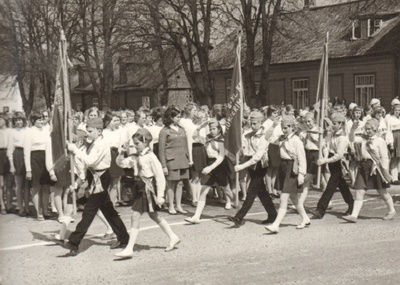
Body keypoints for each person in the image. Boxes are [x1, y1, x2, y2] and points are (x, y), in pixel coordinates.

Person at [61, 117, 129, 256]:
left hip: (101, 177)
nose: (88, 134)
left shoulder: (102, 144)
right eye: (87, 131)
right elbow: (84, 160)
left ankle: (74, 242)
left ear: (99, 131)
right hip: (94, 177)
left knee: (89, 210)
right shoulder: (93, 142)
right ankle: (124, 238)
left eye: (90, 131)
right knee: (108, 211)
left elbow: (90, 161)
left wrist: (75, 150)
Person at [114, 128, 180, 258]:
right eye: (134, 144)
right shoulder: (135, 157)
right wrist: (121, 152)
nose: (135, 146)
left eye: (137, 143)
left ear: (146, 143)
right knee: (153, 215)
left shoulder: (151, 157)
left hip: (148, 189)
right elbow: (121, 163)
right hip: (139, 188)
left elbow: (160, 176)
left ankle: (129, 248)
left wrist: (161, 195)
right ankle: (173, 236)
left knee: (135, 216)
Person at [228, 111, 277, 227]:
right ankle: (273, 214)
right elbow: (244, 149)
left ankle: (239, 217)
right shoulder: (248, 134)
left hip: (260, 164)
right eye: (251, 123)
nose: (252, 125)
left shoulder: (264, 136)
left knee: (251, 192)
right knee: (262, 192)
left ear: (261, 123)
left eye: (255, 123)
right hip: (250, 164)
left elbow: (257, 157)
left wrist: (241, 166)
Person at [343, 119, 396, 222]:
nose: (367, 131)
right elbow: (351, 140)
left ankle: (391, 211)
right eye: (366, 129)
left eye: (369, 129)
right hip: (363, 166)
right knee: (359, 190)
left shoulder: (380, 141)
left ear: (375, 129)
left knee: (382, 191)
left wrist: (384, 171)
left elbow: (385, 157)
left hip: (376, 167)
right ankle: (354, 216)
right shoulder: (363, 139)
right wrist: (352, 130)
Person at [264, 117, 309, 233]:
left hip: (292, 168)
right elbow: (267, 138)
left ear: (292, 127)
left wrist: (301, 174)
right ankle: (305, 218)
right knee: (294, 197)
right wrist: (273, 126)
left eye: (286, 128)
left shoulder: (296, 140)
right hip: (283, 167)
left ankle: (276, 225)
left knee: (284, 197)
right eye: (282, 128)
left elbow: (302, 159)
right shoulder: (282, 138)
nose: (284, 130)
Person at [185, 119, 232, 223]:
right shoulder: (207, 138)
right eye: (210, 129)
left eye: (214, 128)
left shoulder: (221, 140)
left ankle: (236, 205)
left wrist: (210, 168)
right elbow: (194, 136)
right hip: (209, 164)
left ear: (219, 129)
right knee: (203, 190)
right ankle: (196, 216)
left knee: (227, 190)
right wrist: (201, 126)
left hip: (220, 166)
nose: (212, 130)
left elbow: (220, 157)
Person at [310, 112, 354, 219]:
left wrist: (326, 160)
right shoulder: (332, 134)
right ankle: (352, 205)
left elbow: (339, 155)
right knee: (342, 186)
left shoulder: (342, 138)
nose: (332, 125)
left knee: (330, 186)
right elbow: (324, 143)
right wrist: (319, 134)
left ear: (341, 124)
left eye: (335, 123)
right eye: (332, 123)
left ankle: (320, 209)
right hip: (331, 161)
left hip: (338, 163)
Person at [158, 106, 191, 215]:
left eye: (179, 117)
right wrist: (163, 165)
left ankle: (179, 205)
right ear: (170, 118)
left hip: (182, 159)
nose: (179, 119)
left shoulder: (182, 129)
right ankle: (171, 206)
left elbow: (186, 145)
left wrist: (189, 159)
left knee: (180, 183)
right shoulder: (164, 131)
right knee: (171, 184)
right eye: (177, 117)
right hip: (171, 161)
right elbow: (161, 150)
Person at [24, 112, 57, 220]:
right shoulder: (29, 132)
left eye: (42, 119)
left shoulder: (46, 130)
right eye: (39, 119)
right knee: (36, 187)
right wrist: (28, 169)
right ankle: (39, 213)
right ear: (33, 121)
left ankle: (45, 211)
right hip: (34, 159)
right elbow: (26, 152)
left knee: (46, 187)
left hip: (46, 158)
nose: (41, 121)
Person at [7, 112, 30, 216]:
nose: (18, 122)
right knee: (19, 184)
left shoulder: (28, 130)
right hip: (18, 155)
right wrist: (12, 165)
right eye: (16, 121)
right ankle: (21, 208)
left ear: (23, 120)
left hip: (28, 155)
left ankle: (27, 207)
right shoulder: (12, 132)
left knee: (27, 185)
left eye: (20, 120)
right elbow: (10, 149)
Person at [0, 114, 12, 214]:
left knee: (9, 183)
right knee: (1, 184)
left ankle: (9, 204)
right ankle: (2, 205)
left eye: (1, 119)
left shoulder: (10, 131)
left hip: (8, 155)